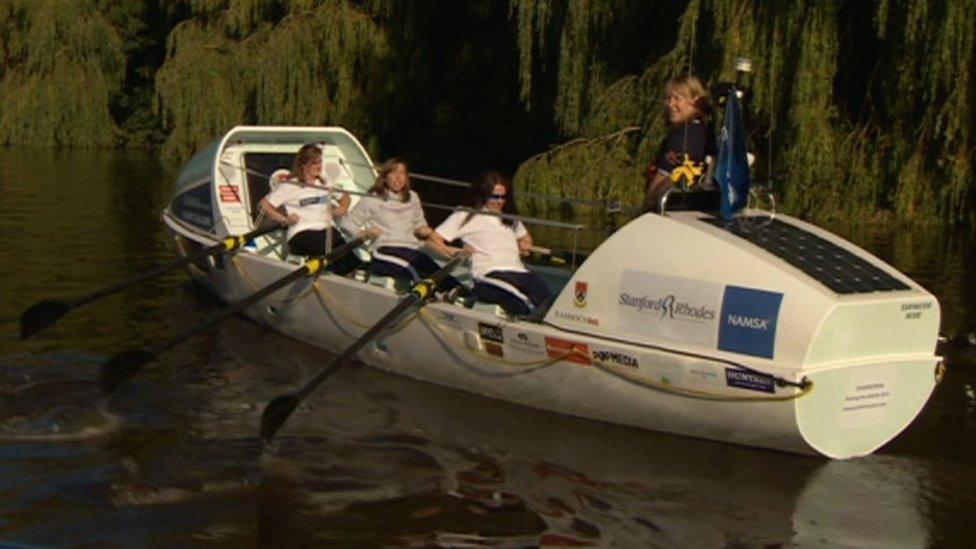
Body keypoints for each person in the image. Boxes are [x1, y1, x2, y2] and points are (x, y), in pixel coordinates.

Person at [428, 171, 552, 317]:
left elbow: (526, 238)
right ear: (483, 194)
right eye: (495, 196)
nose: (500, 201)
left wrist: (524, 245)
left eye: (503, 197)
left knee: (548, 297)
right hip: (487, 273)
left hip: (519, 271)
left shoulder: (509, 217)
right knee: (523, 301)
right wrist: (455, 253)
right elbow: (432, 241)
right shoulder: (465, 215)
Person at [338, 157, 460, 292]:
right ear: (385, 177)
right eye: (393, 173)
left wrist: (429, 232)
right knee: (414, 270)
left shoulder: (412, 198)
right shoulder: (373, 198)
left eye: (401, 173)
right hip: (385, 250)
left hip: (411, 248)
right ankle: (432, 296)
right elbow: (346, 223)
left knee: (439, 273)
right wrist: (365, 234)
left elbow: (418, 226)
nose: (398, 178)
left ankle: (458, 296)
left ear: (406, 177)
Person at [259, 143, 357, 272]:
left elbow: (345, 197)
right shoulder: (291, 185)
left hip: (327, 231)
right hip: (302, 231)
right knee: (328, 250)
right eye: (315, 163)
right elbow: (263, 205)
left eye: (320, 162)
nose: (319, 167)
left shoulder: (325, 182)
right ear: (304, 165)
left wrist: (343, 207)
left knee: (348, 254)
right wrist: (284, 219)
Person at [644, 74, 715, 210]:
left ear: (695, 99)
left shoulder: (686, 134)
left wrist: (646, 209)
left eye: (677, 99)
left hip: (673, 210)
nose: (670, 104)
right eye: (667, 98)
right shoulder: (702, 129)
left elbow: (661, 179)